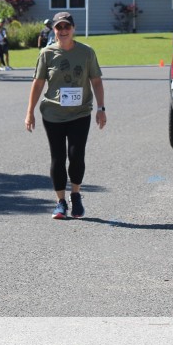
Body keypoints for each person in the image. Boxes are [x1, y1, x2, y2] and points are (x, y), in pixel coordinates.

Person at [24, 12, 106, 219]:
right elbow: (38, 83)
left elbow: (96, 81)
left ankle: (75, 195)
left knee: (76, 155)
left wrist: (101, 108)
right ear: (54, 30)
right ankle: (60, 202)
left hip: (80, 113)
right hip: (53, 114)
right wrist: (30, 112)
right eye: (58, 27)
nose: (63, 31)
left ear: (73, 28)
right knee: (58, 158)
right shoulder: (46, 53)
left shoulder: (86, 52)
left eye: (66, 27)